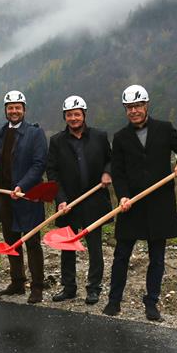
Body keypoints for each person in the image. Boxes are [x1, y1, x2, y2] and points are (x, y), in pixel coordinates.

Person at [103, 84, 177, 321]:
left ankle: (151, 302)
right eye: (129, 107)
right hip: (131, 204)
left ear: (146, 106)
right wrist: (122, 195)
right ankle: (114, 301)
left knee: (157, 256)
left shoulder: (164, 129)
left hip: (159, 203)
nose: (133, 111)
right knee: (121, 254)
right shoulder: (121, 137)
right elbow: (119, 171)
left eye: (137, 106)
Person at [46, 95, 113, 305]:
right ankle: (69, 287)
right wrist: (61, 199)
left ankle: (93, 288)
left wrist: (107, 173)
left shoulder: (100, 137)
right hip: (69, 203)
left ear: (84, 115)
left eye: (77, 114)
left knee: (95, 247)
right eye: (69, 115)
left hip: (94, 200)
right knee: (67, 247)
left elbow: (111, 160)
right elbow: (53, 172)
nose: (73, 118)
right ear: (65, 117)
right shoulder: (57, 141)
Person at [0, 90, 47, 304]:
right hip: (5, 197)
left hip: (27, 197)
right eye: (10, 107)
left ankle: (37, 287)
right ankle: (17, 282)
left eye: (18, 107)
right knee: (11, 241)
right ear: (5, 111)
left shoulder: (35, 133)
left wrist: (23, 185)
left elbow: (39, 165)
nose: (14, 111)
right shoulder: (2, 132)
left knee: (32, 242)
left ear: (24, 110)